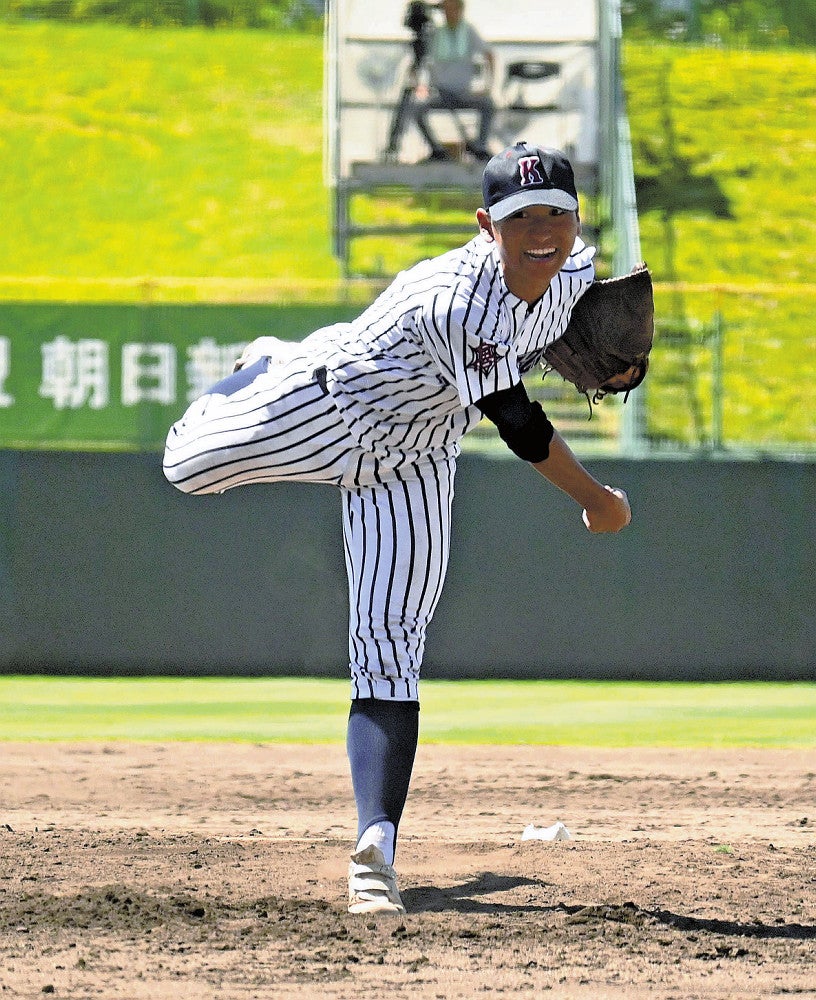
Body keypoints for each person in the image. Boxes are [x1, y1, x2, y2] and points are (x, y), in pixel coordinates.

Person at [163, 142, 635, 916]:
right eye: (522, 218)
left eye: (556, 212)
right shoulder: (457, 298)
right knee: (184, 467)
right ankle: (272, 358)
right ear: (488, 225)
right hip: (330, 407)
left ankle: (374, 849)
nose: (542, 230)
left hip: (417, 455)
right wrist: (596, 499)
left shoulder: (577, 273)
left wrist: (617, 370)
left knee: (389, 647)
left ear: (578, 218)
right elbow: (517, 421)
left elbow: (562, 335)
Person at [387, 0, 496, 162]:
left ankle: (480, 148)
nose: (448, 13)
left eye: (452, 9)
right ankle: (437, 150)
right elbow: (421, 61)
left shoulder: (468, 31)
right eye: (446, 9)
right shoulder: (436, 34)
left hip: (464, 92)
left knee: (488, 105)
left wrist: (488, 85)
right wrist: (419, 84)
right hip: (440, 93)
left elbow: (489, 55)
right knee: (415, 108)